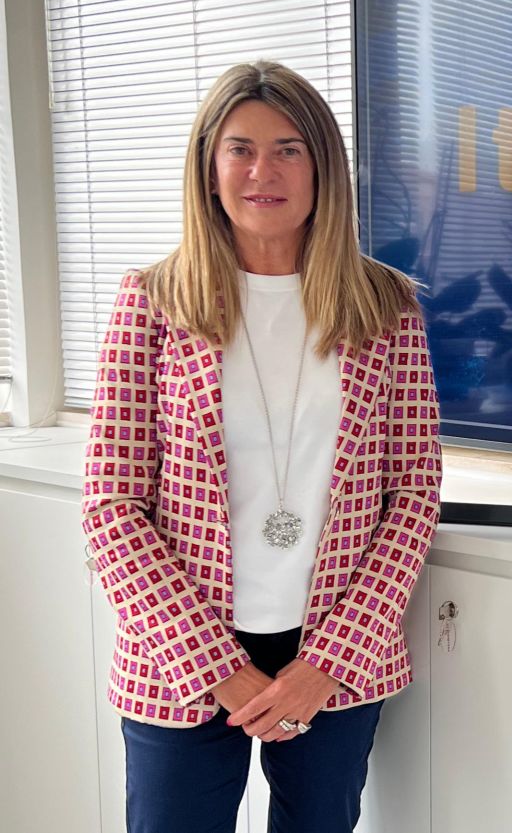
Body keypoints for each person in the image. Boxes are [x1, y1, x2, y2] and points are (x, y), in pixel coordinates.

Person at [80, 60, 442, 833]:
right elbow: (111, 506)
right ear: (209, 168)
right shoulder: (153, 301)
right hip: (178, 655)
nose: (262, 171)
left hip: (334, 658)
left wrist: (327, 662)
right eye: (240, 149)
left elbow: (412, 494)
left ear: (322, 167)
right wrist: (218, 669)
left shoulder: (387, 307)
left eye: (288, 149)